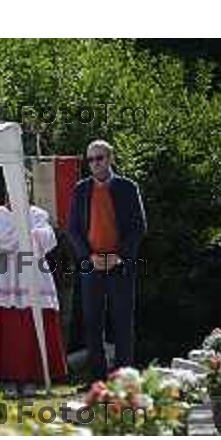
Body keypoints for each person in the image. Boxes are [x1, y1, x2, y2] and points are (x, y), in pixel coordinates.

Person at [68, 139, 147, 380]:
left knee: (122, 321)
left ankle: (125, 379)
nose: (94, 164)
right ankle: (97, 379)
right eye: (90, 160)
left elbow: (138, 227)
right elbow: (73, 230)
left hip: (120, 265)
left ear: (110, 159)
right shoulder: (81, 189)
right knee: (92, 323)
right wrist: (88, 256)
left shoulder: (127, 187)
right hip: (91, 264)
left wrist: (119, 256)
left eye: (99, 158)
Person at [0, 197, 68, 394]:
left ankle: (33, 377)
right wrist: (27, 235)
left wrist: (25, 237)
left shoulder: (38, 213)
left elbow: (49, 239)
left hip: (34, 273)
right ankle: (9, 380)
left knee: (34, 321)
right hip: (8, 275)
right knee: (9, 325)